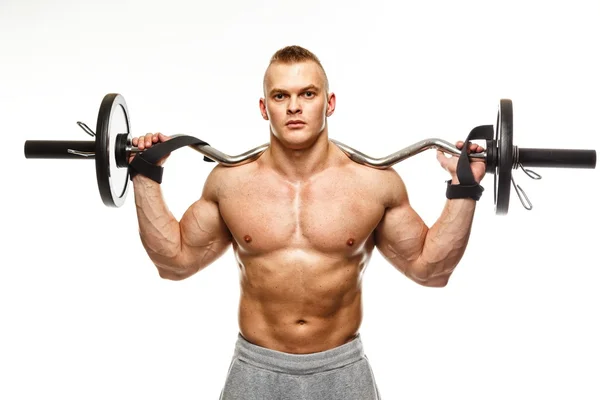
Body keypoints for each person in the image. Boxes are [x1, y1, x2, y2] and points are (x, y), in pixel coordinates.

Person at [129, 45, 486, 400]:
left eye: (308, 94)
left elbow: (430, 271)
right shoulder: (231, 184)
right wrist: (146, 173)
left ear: (329, 103)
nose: (294, 107)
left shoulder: (374, 184)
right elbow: (173, 264)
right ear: (264, 107)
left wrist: (464, 187)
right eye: (280, 95)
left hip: (342, 371)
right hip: (256, 372)